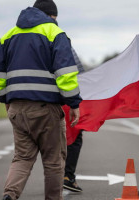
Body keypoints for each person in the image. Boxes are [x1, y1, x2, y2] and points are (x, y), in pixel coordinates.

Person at [0, 0, 82, 199]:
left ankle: (10, 195)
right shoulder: (55, 33)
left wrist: (5, 98)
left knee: (22, 158)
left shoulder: (8, 36)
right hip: (46, 109)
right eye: (54, 18)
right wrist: (74, 103)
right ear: (50, 16)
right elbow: (66, 75)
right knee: (53, 161)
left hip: (16, 108)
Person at [63, 48, 84, 192]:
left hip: (39, 99)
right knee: (74, 137)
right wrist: (74, 102)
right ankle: (67, 177)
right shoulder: (62, 41)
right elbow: (79, 73)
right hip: (64, 99)